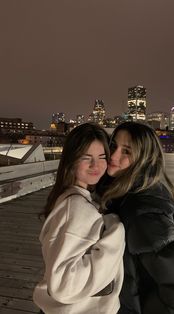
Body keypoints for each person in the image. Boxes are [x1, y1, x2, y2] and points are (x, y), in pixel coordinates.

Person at [98, 121, 174, 314]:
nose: (114, 155)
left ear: (144, 159)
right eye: (113, 146)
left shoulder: (144, 212)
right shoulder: (143, 191)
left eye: (127, 151)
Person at [33, 123, 125, 314]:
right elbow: (64, 286)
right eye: (87, 158)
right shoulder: (77, 207)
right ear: (71, 161)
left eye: (102, 157)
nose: (96, 165)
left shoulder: (68, 198)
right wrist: (116, 235)